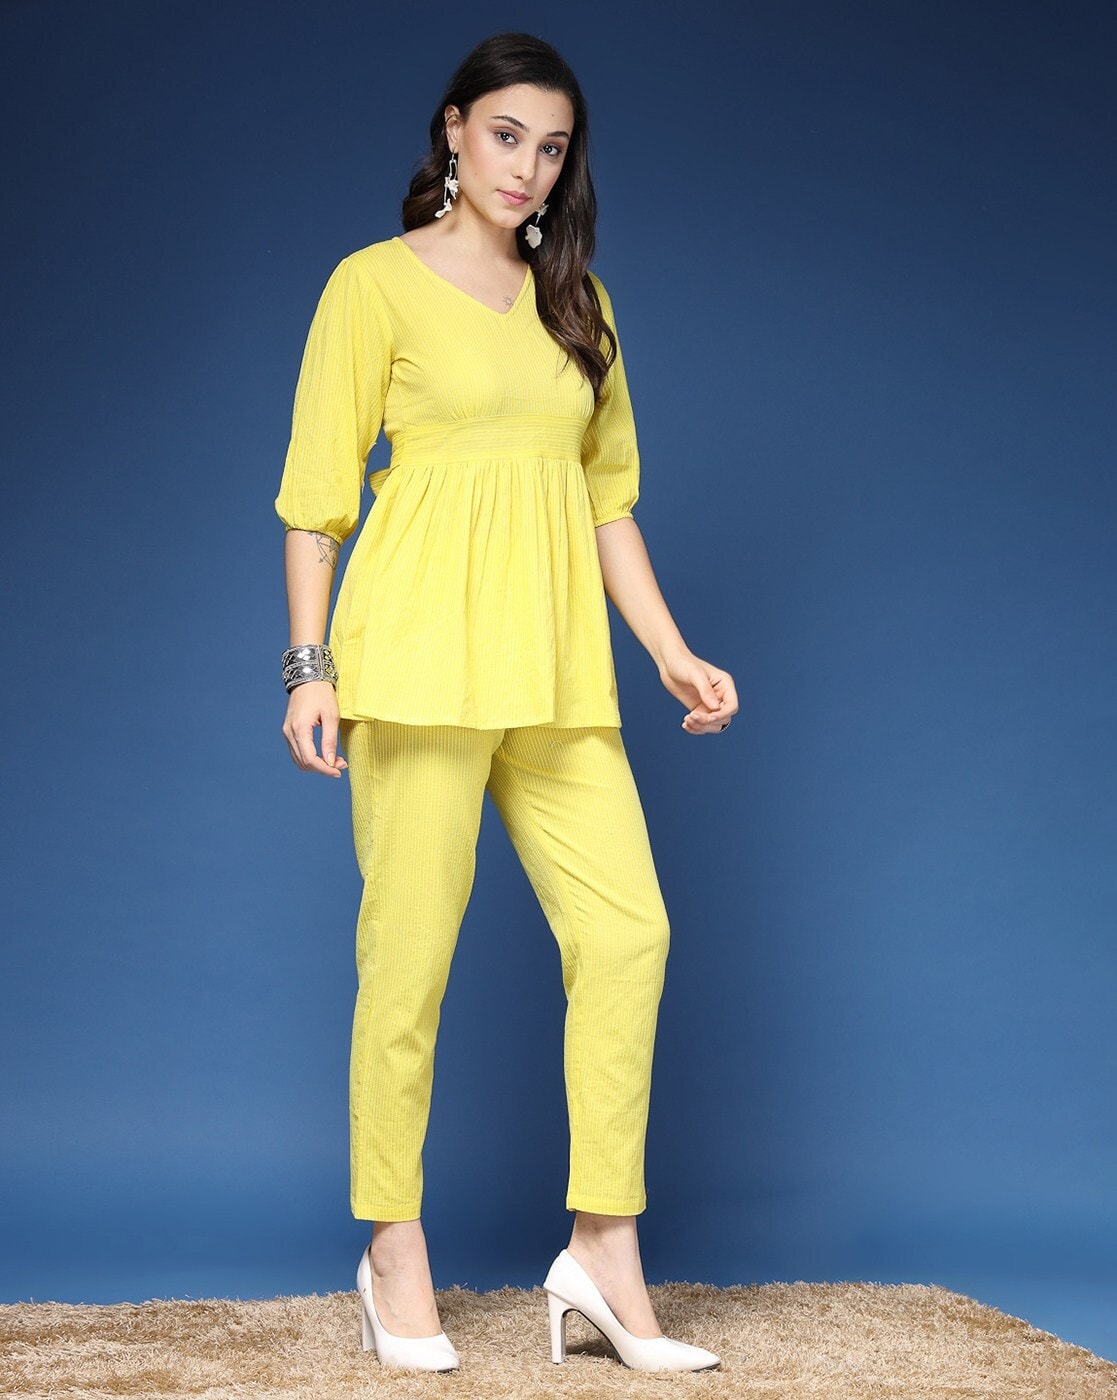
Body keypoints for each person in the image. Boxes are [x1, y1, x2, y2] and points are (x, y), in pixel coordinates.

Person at [275, 31, 736, 1375]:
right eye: (506, 135)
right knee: (407, 959)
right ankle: (391, 1245)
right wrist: (310, 666)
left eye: (552, 147)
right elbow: (316, 498)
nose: (527, 167)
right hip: (416, 665)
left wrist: (669, 650)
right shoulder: (370, 286)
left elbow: (606, 501)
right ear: (453, 130)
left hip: (556, 674)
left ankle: (602, 1247)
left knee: (628, 933)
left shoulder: (579, 303)